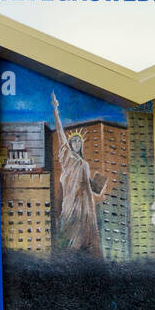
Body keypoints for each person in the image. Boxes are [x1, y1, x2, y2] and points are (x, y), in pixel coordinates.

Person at [52, 91, 104, 256]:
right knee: (70, 231)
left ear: (81, 145)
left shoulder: (84, 163)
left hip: (85, 203)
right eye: (72, 141)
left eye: (78, 141)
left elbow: (93, 187)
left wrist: (98, 183)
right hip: (71, 200)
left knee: (86, 233)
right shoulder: (67, 156)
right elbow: (60, 133)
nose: (75, 143)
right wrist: (56, 110)